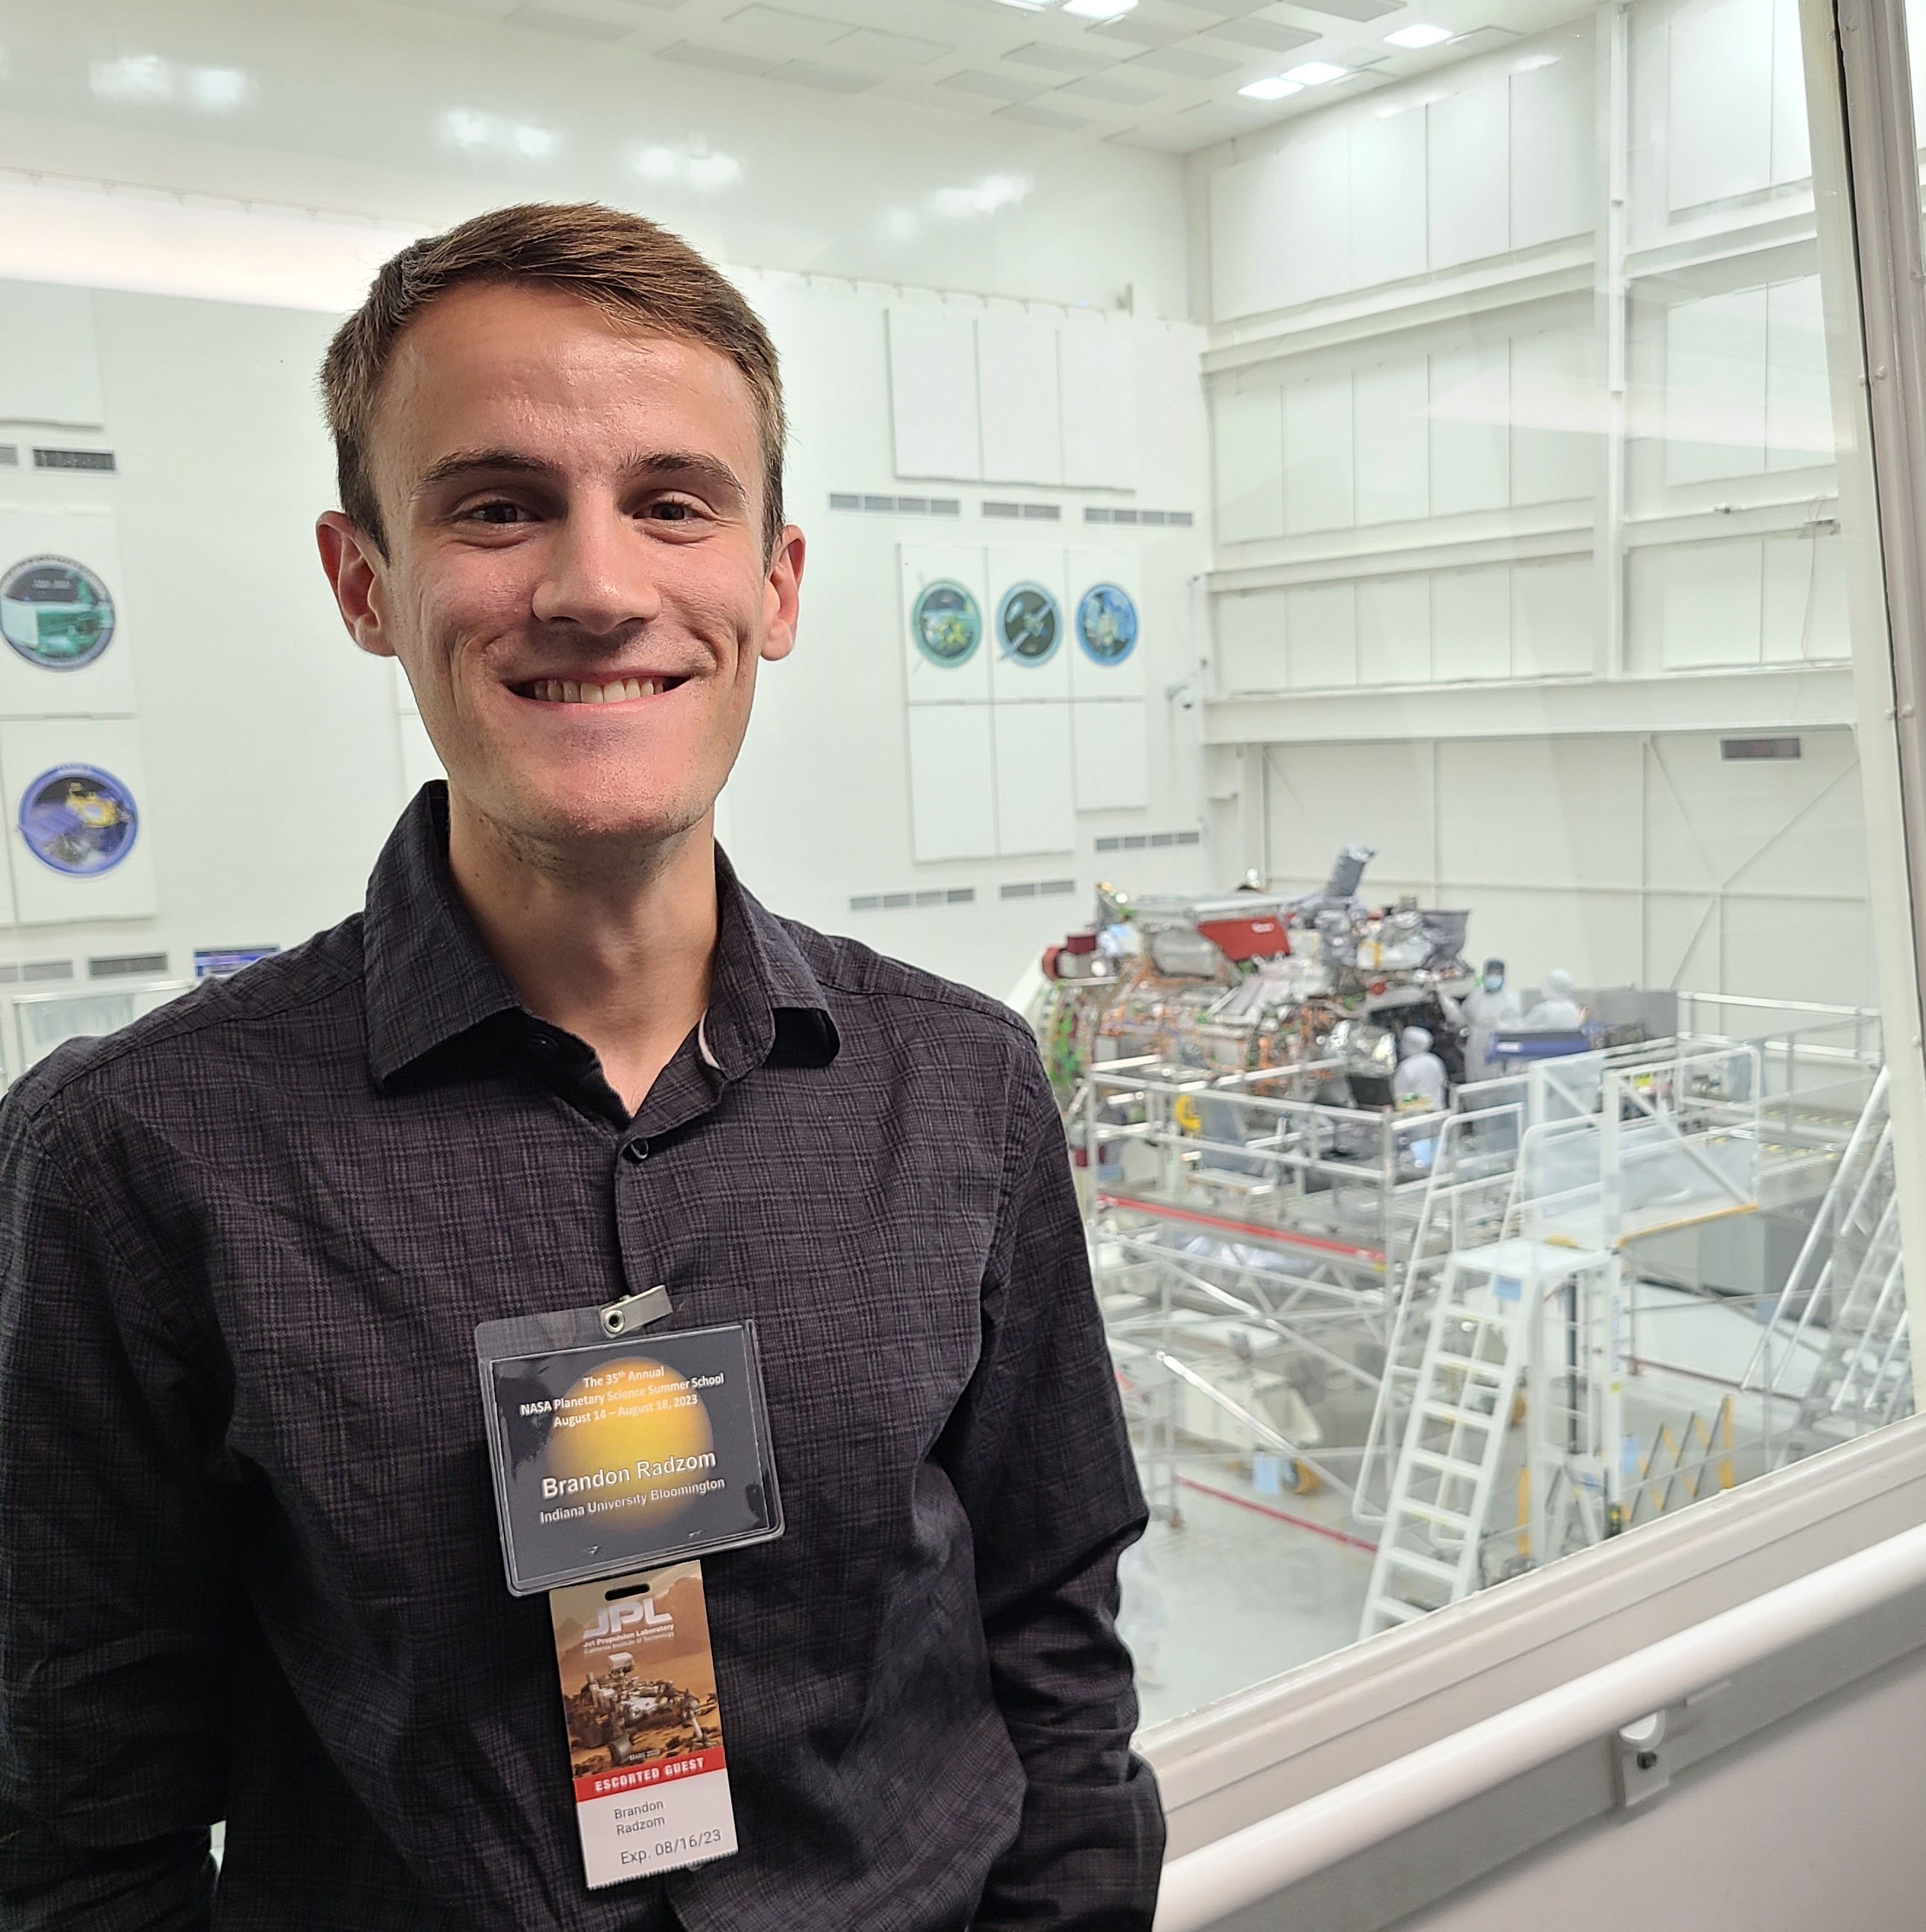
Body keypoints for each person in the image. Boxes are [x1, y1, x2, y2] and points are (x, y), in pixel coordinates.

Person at [0, 204, 1162, 1931]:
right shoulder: (135, 1158)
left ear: (772, 586)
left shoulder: (961, 1092)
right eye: (495, 505)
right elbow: (79, 1814)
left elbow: (1053, 1653)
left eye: (673, 503)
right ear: (364, 582)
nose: (596, 586)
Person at [1451, 957, 1523, 1081]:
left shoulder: (1510, 1001)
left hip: (1495, 1047)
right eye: (1490, 973)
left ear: (1503, 976)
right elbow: (1462, 1017)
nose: (1492, 978)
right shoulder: (1476, 995)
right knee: (1474, 1078)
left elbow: (1514, 1034)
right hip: (1475, 1044)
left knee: (1493, 1081)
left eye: (1496, 974)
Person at [1392, 1025, 1449, 1113]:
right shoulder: (1436, 1061)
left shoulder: (1406, 1067)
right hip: (1438, 1112)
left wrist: (1421, 1102)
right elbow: (1443, 1084)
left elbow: (1401, 1097)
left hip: (1415, 1117)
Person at [1522, 967, 1585, 1031]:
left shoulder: (1543, 1010)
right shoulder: (1575, 1009)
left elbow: (1520, 1030)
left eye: (1543, 984)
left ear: (1549, 988)